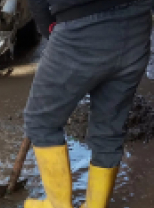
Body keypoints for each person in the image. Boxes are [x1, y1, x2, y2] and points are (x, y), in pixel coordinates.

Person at [23, 0, 152, 207]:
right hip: (137, 24)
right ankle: (95, 205)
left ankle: (58, 204)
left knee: (40, 121)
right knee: (109, 127)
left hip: (79, 26)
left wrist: (50, 30)